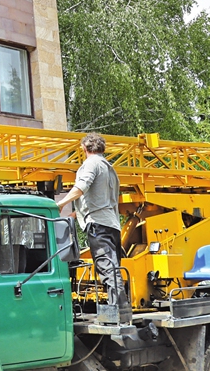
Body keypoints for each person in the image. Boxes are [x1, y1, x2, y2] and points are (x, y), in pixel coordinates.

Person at [56, 132, 130, 323]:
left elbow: (81, 187)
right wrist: (74, 215)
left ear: (84, 149)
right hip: (111, 224)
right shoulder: (108, 168)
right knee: (112, 268)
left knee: (107, 269)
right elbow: (100, 200)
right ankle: (121, 311)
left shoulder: (91, 164)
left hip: (99, 225)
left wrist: (60, 204)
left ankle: (118, 314)